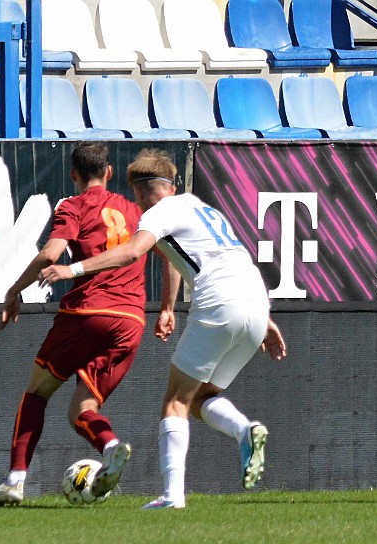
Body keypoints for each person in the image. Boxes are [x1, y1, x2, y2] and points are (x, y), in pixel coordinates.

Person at [39, 148, 287, 509]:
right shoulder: (203, 209)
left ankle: (173, 497)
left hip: (219, 301)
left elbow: (130, 252)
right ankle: (243, 430)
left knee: (175, 402)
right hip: (254, 301)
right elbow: (218, 258)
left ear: (140, 192)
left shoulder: (158, 212)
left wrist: (71, 270)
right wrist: (262, 319)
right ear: (172, 183)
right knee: (201, 397)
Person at [0, 143, 145, 506]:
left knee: (37, 392)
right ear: (110, 172)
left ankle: (15, 481)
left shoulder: (73, 206)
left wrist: (14, 290)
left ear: (73, 174)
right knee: (82, 411)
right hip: (132, 319)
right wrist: (166, 307)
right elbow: (163, 250)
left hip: (87, 312)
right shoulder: (135, 210)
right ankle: (111, 446)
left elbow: (50, 254)